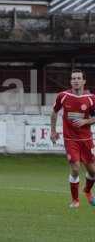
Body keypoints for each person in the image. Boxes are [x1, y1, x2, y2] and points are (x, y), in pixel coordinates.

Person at [51, 69, 95, 208]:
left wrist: (86, 122)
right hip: (70, 140)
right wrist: (53, 130)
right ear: (71, 81)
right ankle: (75, 200)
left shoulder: (91, 98)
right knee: (75, 169)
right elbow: (54, 112)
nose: (75, 80)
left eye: (78, 78)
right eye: (73, 78)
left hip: (86, 140)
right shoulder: (63, 96)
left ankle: (87, 191)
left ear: (84, 81)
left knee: (93, 172)